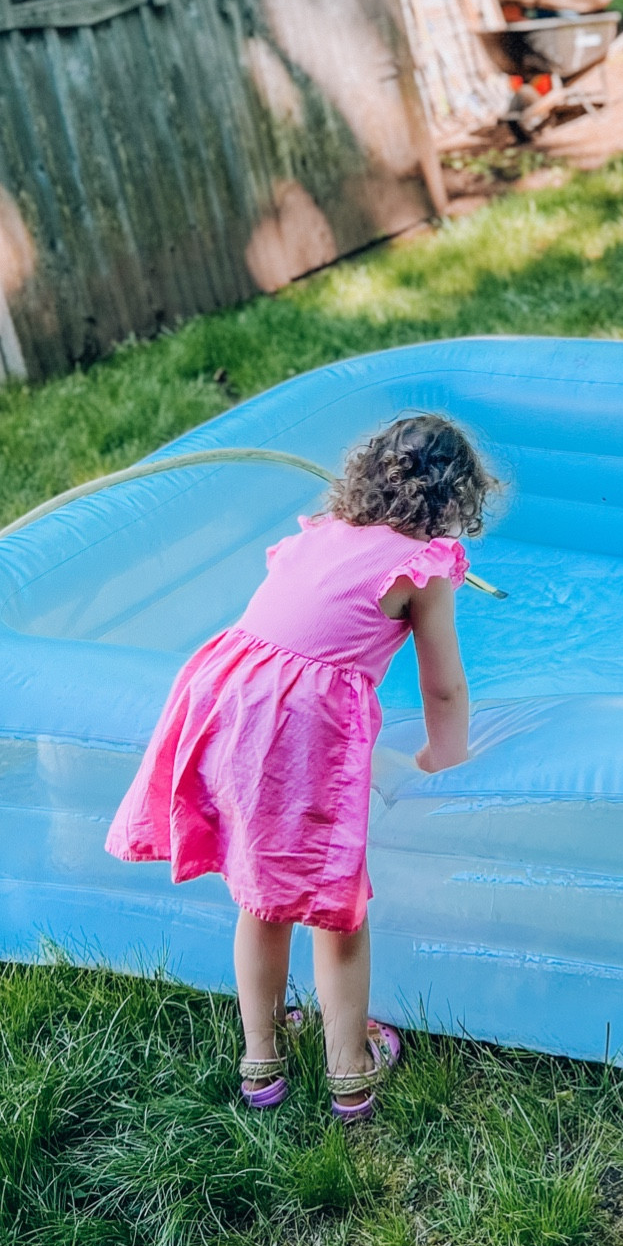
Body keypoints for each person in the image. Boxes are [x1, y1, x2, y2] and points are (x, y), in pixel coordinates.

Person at [106, 413, 496, 1120]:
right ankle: (350, 1070)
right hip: (296, 726)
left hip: (225, 700)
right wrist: (446, 758)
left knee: (262, 894)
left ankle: (262, 1063)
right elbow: (443, 685)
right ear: (457, 501)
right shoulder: (422, 567)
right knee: (332, 899)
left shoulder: (316, 536)